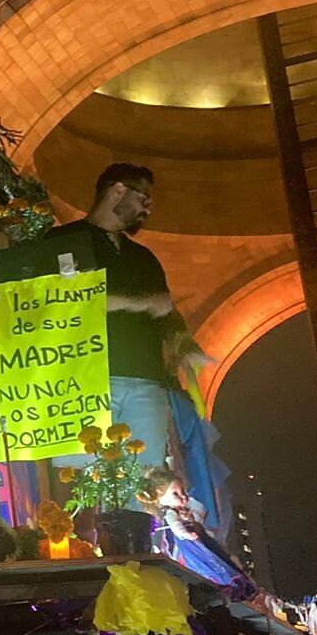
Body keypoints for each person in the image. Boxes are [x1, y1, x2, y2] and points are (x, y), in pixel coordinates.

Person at [50, 163, 200, 466]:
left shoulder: (143, 257)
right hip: (85, 380)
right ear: (118, 190)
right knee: (83, 474)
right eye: (143, 200)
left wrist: (183, 343)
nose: (147, 211)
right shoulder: (63, 240)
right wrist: (138, 304)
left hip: (147, 381)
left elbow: (166, 309)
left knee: (145, 477)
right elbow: (63, 300)